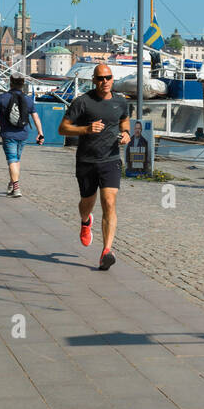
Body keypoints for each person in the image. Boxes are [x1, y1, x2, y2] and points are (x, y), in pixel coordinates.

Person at [59, 63, 130, 270]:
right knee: (87, 203)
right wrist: (86, 129)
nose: (104, 81)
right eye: (100, 78)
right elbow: (63, 128)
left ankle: (106, 251)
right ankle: (85, 221)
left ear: (112, 79)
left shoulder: (120, 101)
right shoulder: (83, 102)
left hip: (111, 159)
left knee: (109, 202)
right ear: (94, 80)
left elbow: (125, 121)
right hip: (86, 161)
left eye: (108, 77)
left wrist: (125, 134)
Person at [0, 75, 45, 197]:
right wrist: (40, 133)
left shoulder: (2, 98)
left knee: (12, 160)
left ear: (10, 84)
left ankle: (16, 187)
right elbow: (35, 117)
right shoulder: (28, 99)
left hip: (8, 134)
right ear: (22, 85)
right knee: (16, 159)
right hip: (23, 134)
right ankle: (12, 184)